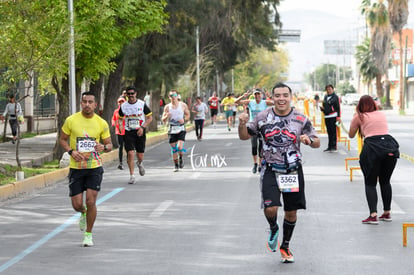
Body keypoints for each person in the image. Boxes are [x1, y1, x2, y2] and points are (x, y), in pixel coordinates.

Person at [238, 82, 320, 263]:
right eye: (277, 95)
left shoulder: (300, 118)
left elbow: (317, 141)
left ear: (290, 97)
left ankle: (286, 246)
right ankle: (273, 227)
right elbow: (244, 136)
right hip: (270, 169)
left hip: (292, 170)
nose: (281, 99)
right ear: (272, 98)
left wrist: (309, 141)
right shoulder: (262, 117)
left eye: (285, 95)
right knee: (271, 207)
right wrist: (242, 123)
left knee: (291, 212)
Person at [59, 91, 113, 247]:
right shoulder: (71, 120)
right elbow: (62, 139)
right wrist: (71, 151)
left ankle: (88, 234)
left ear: (96, 105)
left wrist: (104, 146)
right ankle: (82, 213)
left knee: (91, 200)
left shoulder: (101, 123)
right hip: (76, 168)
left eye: (90, 102)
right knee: (77, 205)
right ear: (81, 103)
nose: (87, 104)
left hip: (94, 167)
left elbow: (109, 145)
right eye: (84, 102)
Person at [348, 95, 399, 224]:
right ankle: (387, 213)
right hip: (389, 148)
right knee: (385, 181)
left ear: (360, 105)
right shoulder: (381, 114)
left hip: (372, 149)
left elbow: (351, 134)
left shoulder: (359, 116)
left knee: (370, 183)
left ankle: (373, 215)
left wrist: (358, 123)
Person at [118, 86, 153, 184]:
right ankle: (132, 176)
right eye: (128, 94)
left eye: (132, 93)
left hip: (139, 131)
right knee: (130, 153)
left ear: (135, 94)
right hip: (128, 131)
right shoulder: (123, 106)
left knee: (140, 154)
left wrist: (142, 127)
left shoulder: (142, 104)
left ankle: (140, 163)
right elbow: (120, 118)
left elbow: (149, 118)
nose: (130, 96)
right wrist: (120, 125)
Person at [235, 88, 273, 173]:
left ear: (261, 95)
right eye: (255, 94)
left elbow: (277, 103)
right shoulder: (250, 102)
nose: (257, 96)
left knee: (261, 147)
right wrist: (243, 96)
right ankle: (255, 164)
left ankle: (260, 164)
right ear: (254, 95)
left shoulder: (265, 102)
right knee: (254, 146)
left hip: (263, 126)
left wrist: (270, 96)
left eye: (258, 94)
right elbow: (236, 102)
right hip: (253, 126)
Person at [162, 90, 190, 171]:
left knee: (179, 147)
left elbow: (188, 114)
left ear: (177, 96)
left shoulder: (183, 105)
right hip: (172, 129)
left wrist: (184, 119)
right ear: (169, 97)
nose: (173, 97)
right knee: (174, 149)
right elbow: (163, 120)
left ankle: (180, 157)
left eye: (175, 95)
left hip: (181, 128)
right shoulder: (167, 107)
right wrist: (166, 116)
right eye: (171, 96)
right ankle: (176, 165)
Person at [320, 84, 340, 152]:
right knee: (329, 132)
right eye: (327, 89)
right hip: (326, 116)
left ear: (332, 89)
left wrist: (338, 117)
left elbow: (338, 108)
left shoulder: (335, 97)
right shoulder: (325, 97)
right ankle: (329, 146)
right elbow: (325, 106)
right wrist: (322, 109)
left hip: (333, 116)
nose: (328, 90)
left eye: (330, 89)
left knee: (333, 132)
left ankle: (334, 147)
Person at [111, 96, 126, 170]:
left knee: (127, 147)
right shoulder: (116, 111)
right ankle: (120, 163)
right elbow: (113, 119)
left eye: (122, 101)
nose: (121, 103)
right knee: (120, 147)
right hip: (119, 131)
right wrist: (114, 123)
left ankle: (129, 160)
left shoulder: (127, 111)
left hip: (126, 130)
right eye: (120, 102)